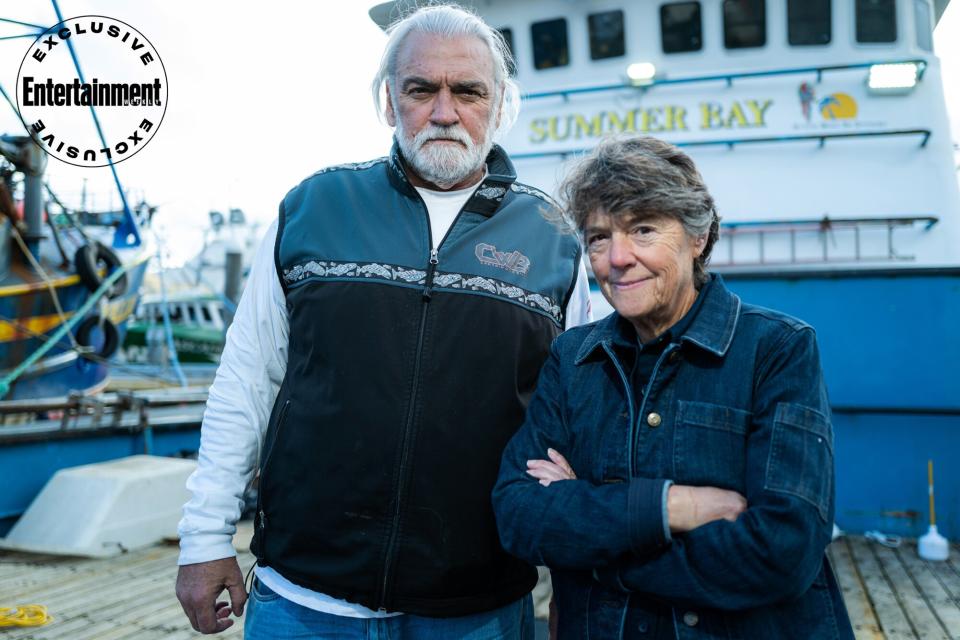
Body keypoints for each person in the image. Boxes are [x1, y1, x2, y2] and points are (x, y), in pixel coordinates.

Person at [175, 5, 591, 638]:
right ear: (388, 100)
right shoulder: (312, 209)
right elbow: (246, 380)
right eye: (421, 89)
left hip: (479, 607)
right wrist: (203, 537)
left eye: (468, 91)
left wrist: (576, 579)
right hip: (305, 601)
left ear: (500, 102)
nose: (445, 112)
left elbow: (585, 417)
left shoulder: (555, 240)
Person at [492, 136, 854, 639]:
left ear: (697, 236)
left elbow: (783, 550)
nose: (617, 258)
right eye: (598, 237)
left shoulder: (776, 351)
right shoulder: (573, 359)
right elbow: (518, 513)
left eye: (643, 229)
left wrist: (594, 547)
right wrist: (673, 507)